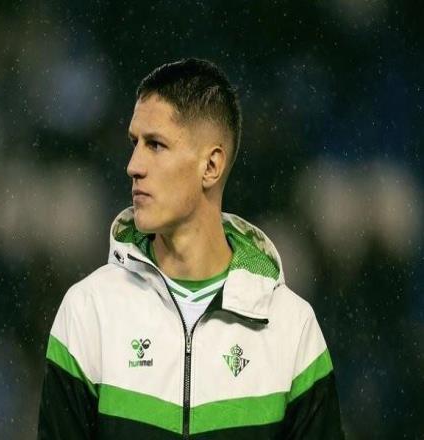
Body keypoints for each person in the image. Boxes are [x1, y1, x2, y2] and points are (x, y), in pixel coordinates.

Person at [37, 58, 344, 439]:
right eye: (134, 143)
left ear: (211, 166)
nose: (133, 165)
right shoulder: (89, 312)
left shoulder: (291, 329)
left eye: (156, 145)